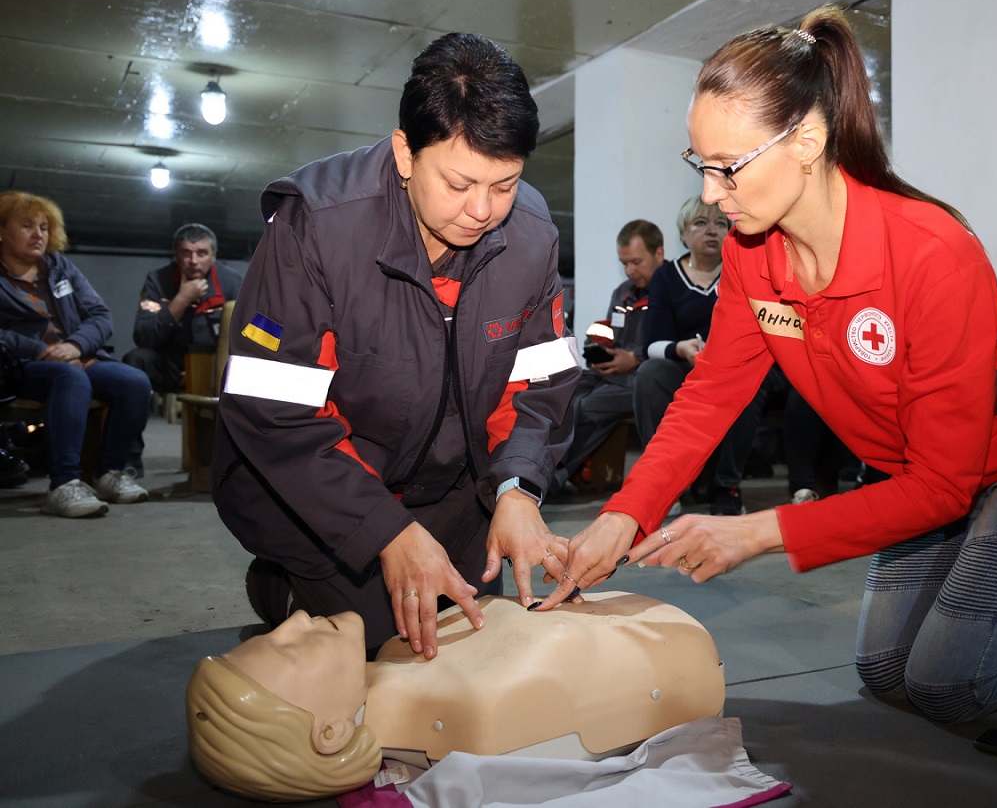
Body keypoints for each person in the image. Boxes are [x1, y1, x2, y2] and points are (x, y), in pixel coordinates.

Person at [537, 6, 997, 722]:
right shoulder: (751, 251)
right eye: (698, 165)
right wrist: (624, 516)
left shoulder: (930, 252)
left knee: (953, 683)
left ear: (807, 140)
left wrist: (758, 532)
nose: (709, 193)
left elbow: (945, 485)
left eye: (727, 167)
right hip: (927, 472)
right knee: (888, 672)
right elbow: (710, 394)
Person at [211, 32, 579, 658]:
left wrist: (519, 490)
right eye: (460, 184)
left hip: (449, 483)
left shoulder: (533, 234)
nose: (483, 210)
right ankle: (285, 586)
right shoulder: (317, 227)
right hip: (311, 487)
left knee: (517, 629)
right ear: (406, 153)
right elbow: (273, 412)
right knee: (392, 648)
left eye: (506, 184)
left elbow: (541, 382)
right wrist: (384, 530)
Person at [185, 593, 740, 803]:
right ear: (329, 733)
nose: (296, 621)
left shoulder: (405, 647)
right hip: (676, 641)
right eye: (287, 651)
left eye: (271, 634)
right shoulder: (487, 714)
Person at [0, 191, 151, 517]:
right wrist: (40, 350)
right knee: (71, 377)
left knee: (135, 381)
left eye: (43, 226)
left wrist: (76, 345)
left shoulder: (59, 267)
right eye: (27, 225)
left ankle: (109, 473)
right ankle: (64, 483)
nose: (38, 234)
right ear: (1, 231)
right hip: (20, 365)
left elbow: (100, 314)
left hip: (76, 357)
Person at [634, 195, 787, 515]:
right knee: (650, 375)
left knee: (751, 381)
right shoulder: (666, 276)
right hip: (686, 365)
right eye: (700, 224)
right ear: (683, 233)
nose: (712, 231)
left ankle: (727, 486)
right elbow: (651, 345)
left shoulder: (744, 269)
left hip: (735, 368)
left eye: (721, 224)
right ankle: (661, 485)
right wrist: (681, 347)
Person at [548, 219, 663, 497]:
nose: (630, 270)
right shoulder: (622, 292)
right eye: (624, 263)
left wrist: (635, 357)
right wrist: (595, 344)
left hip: (645, 377)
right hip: (612, 373)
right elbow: (607, 329)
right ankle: (556, 470)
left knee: (588, 406)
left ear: (658, 253)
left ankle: (556, 473)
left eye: (636, 261)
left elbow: (674, 340)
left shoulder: (671, 289)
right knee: (563, 389)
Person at [123, 222, 242, 472]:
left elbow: (244, 339)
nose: (193, 260)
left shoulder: (232, 283)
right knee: (134, 363)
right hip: (170, 363)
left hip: (216, 367)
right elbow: (143, 336)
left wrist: (210, 372)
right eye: (186, 253)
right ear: (176, 255)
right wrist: (181, 300)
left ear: (213, 256)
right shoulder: (158, 281)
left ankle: (233, 464)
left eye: (201, 253)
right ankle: (127, 461)